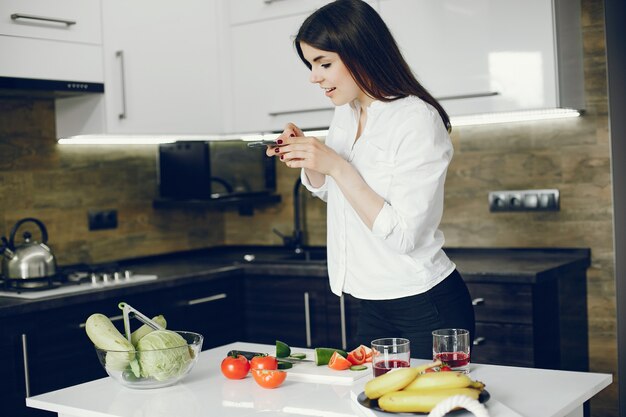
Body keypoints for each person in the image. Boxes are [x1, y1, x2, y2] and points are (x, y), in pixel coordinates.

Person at [266, 0, 475, 359]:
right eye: (311, 64)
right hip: (372, 302)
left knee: (432, 411)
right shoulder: (347, 114)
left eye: (324, 63)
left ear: (360, 52)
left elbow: (405, 235)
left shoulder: (416, 120)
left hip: (425, 305)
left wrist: (337, 166)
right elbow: (338, 195)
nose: (314, 77)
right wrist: (311, 157)